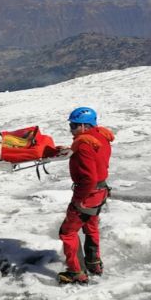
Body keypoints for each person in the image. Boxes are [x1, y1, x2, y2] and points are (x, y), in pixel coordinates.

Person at [57, 107, 115, 284]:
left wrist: (79, 200)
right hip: (101, 191)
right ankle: (94, 263)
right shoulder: (101, 136)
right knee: (91, 227)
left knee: (67, 232)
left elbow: (88, 178)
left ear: (84, 126)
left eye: (74, 125)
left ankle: (76, 272)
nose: (71, 129)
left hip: (88, 194)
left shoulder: (83, 144)